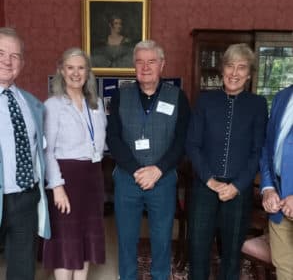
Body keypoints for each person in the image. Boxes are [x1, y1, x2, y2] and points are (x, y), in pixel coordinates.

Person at [106, 40, 190, 280]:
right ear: (134, 66)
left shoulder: (178, 97)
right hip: (126, 178)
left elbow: (182, 140)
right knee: (126, 238)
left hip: (162, 180)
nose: (145, 67)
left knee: (162, 238)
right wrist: (136, 170)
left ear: (162, 65)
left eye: (151, 61)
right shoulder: (120, 96)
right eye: (140, 62)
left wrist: (158, 170)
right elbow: (113, 138)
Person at [186, 43, 268, 280]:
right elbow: (193, 144)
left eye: (241, 67)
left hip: (238, 190)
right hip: (204, 187)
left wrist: (235, 186)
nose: (234, 73)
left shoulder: (257, 104)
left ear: (249, 73)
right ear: (222, 70)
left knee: (232, 253)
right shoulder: (205, 101)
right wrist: (210, 181)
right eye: (230, 66)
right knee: (198, 249)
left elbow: (258, 150)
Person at [41, 47, 107, 280]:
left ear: (88, 72)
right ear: (61, 70)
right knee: (66, 242)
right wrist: (57, 187)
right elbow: (46, 150)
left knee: (87, 240)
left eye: (81, 68)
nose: (76, 73)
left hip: (93, 176)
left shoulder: (96, 104)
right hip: (66, 178)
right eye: (70, 68)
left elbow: (100, 142)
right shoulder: (53, 105)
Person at [0, 27, 51, 280]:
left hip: (26, 200)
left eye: (15, 56)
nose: (7, 61)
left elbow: (40, 150)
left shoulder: (32, 103)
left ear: (22, 62)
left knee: (23, 269)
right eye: (1, 53)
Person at [260, 84, 293, 279]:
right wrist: (268, 187)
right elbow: (267, 147)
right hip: (278, 201)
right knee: (285, 268)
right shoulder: (282, 97)